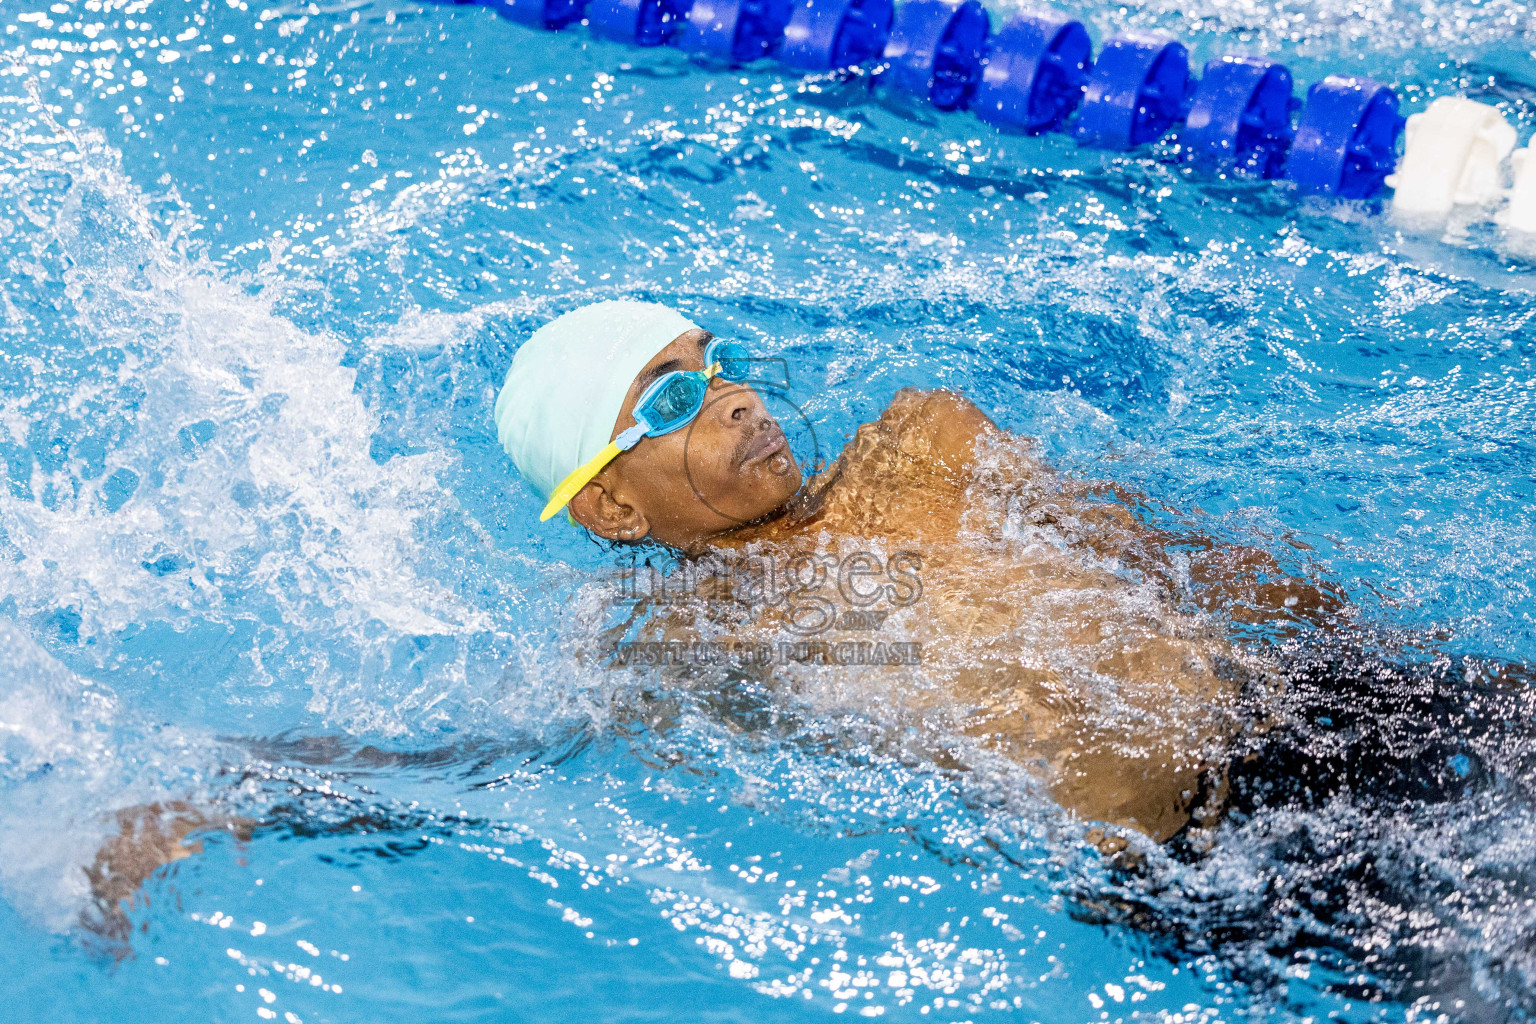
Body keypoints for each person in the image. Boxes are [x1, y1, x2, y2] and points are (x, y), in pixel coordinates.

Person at [494, 299, 1357, 844]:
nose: (739, 398)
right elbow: (550, 748)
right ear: (612, 509)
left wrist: (1357, 641)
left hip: (1305, 706)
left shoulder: (922, 444)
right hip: (1185, 859)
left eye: (718, 364)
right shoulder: (688, 634)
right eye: (674, 399)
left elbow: (1167, 553)